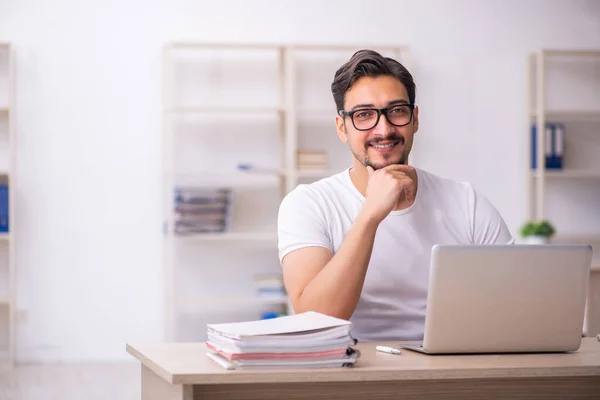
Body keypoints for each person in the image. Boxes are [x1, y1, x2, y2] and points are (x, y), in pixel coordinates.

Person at [277, 49, 514, 342]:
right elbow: (316, 320)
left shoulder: (466, 202)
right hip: (351, 374)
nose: (384, 128)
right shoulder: (308, 204)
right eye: (364, 115)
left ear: (414, 119)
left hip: (451, 371)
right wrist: (370, 215)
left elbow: (515, 304)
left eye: (397, 111)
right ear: (343, 128)